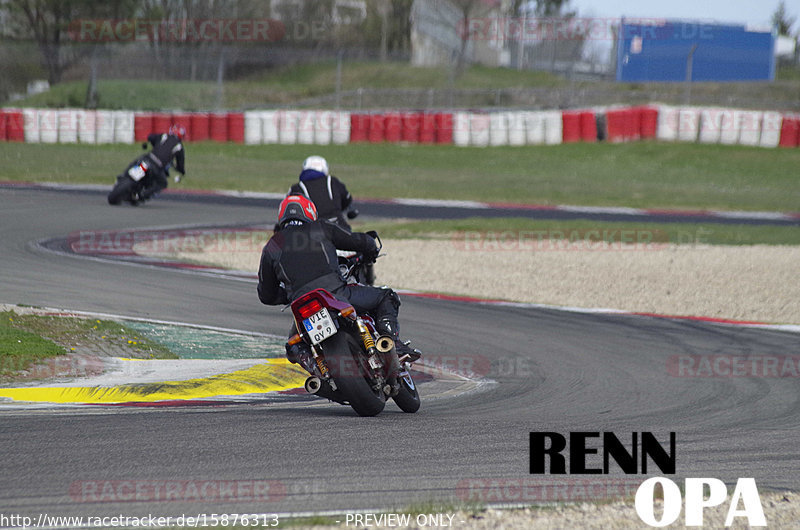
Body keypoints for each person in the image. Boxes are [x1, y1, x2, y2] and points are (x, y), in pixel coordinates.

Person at [257, 195, 420, 370]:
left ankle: (317, 368)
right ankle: (391, 342)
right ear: (310, 212)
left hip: (302, 305)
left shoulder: (272, 245)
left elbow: (266, 294)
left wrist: (289, 294)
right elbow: (355, 240)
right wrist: (370, 245)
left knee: (294, 345)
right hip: (336, 293)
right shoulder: (320, 228)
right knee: (387, 296)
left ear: (281, 217)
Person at [287, 155, 357, 230]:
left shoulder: (297, 188)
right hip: (339, 225)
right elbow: (347, 199)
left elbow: (288, 211)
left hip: (313, 231)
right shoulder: (332, 181)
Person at [136, 124, 187, 203]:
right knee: (162, 183)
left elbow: (150, 137)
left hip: (147, 160)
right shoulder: (179, 146)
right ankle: (143, 195)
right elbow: (180, 163)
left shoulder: (164, 136)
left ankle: (124, 178)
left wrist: (155, 144)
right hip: (157, 166)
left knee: (138, 166)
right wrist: (181, 171)